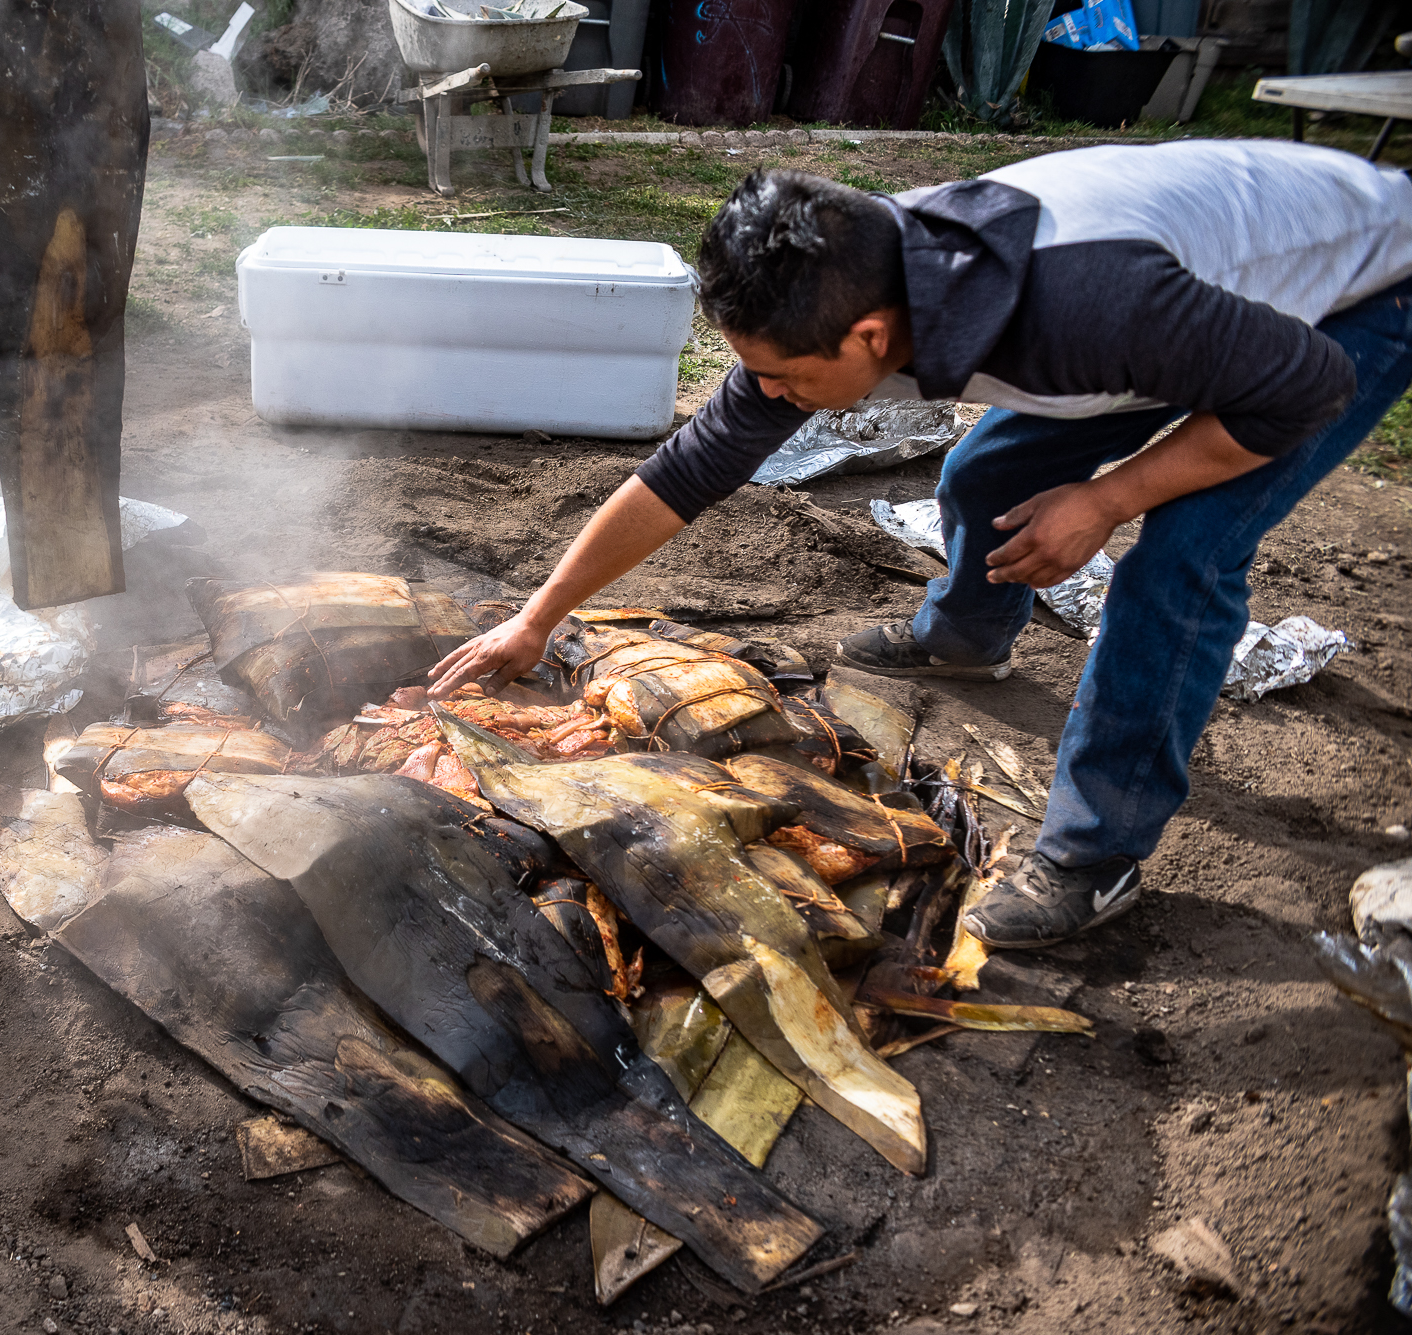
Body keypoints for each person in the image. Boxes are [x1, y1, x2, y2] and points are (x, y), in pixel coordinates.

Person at [431, 141, 1412, 949]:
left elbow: (1305, 387)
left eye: (778, 378)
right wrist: (535, 619)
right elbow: (686, 471)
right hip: (1193, 307)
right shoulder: (837, 278)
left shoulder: (1082, 308)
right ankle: (968, 636)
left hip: (1350, 301)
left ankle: (1093, 857)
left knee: (1183, 554)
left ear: (868, 339)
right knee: (986, 474)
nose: (763, 394)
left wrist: (1108, 497)